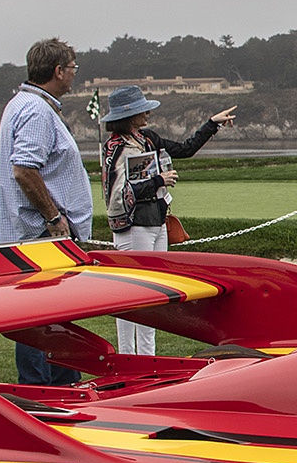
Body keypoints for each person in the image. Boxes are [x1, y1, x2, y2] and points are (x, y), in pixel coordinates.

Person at [101, 86, 237, 356]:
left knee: (153, 297)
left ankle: (148, 357)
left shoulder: (147, 139)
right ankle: (128, 356)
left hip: (157, 223)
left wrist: (211, 125)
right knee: (131, 298)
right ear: (130, 115)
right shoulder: (116, 148)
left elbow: (185, 149)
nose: (149, 112)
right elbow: (116, 195)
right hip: (134, 227)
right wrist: (157, 181)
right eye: (143, 109)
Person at [0, 38, 91, 386]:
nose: (74, 76)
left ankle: (61, 385)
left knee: (52, 316)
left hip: (35, 235)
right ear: (58, 71)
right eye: (72, 69)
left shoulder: (22, 104)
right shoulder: (36, 110)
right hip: (42, 236)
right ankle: (43, 391)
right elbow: (24, 168)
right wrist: (54, 218)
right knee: (42, 317)